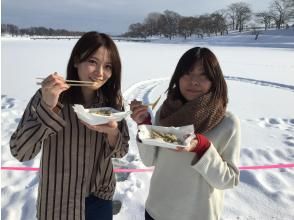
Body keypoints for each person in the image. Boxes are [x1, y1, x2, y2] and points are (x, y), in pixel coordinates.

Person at [10, 31, 129, 220]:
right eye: (92, 62)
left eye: (108, 66)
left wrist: (113, 132)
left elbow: (121, 151)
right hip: (59, 203)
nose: (100, 73)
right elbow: (20, 151)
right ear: (76, 61)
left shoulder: (113, 102)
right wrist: (48, 107)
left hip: (100, 199)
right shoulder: (50, 96)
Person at [130, 47, 240, 220]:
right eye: (187, 73)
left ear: (214, 80)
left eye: (203, 75)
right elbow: (149, 160)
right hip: (157, 210)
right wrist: (144, 126)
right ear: (178, 77)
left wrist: (203, 147)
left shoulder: (227, 122)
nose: (193, 81)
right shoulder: (166, 112)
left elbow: (228, 180)